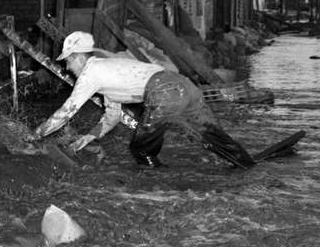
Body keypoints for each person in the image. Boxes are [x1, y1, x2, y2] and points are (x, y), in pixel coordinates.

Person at [33, 31, 255, 169]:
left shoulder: (90, 74)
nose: (67, 68)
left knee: (141, 147)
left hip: (164, 92)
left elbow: (66, 111)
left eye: (68, 62)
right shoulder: (107, 71)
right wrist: (88, 138)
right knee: (211, 135)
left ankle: (154, 179)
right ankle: (245, 163)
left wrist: (36, 134)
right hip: (184, 86)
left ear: (79, 57)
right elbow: (111, 117)